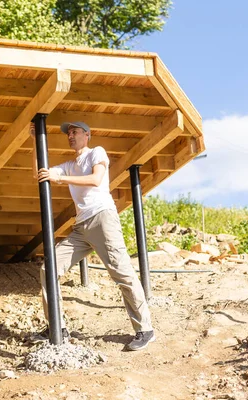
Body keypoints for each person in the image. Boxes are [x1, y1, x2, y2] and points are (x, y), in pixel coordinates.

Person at [28, 121, 155, 351]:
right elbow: (41, 174)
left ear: (87, 135)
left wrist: (60, 179)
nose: (71, 135)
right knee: (48, 269)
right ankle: (57, 327)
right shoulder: (69, 165)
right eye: (69, 133)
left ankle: (145, 329)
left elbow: (96, 179)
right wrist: (34, 141)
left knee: (122, 273)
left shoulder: (97, 153)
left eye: (75, 132)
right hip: (81, 227)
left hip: (102, 218)